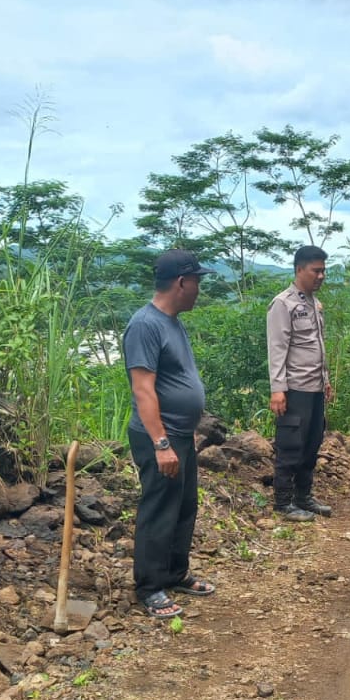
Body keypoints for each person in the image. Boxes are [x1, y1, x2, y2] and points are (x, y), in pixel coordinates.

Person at [123, 249, 218, 619]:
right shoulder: (144, 325)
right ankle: (149, 586)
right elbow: (143, 390)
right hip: (158, 437)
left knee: (183, 508)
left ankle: (175, 573)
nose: (199, 288)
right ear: (182, 282)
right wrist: (161, 443)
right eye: (197, 281)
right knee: (159, 511)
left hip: (180, 435)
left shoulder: (172, 321)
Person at [267, 245, 333, 521]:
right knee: (291, 444)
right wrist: (278, 389)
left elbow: (317, 346)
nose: (321, 276)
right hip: (294, 389)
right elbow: (277, 348)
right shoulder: (283, 304)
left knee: (312, 443)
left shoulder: (313, 304)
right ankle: (283, 502)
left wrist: (326, 380)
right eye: (315, 271)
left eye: (323, 271)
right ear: (299, 269)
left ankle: (303, 496)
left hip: (315, 387)